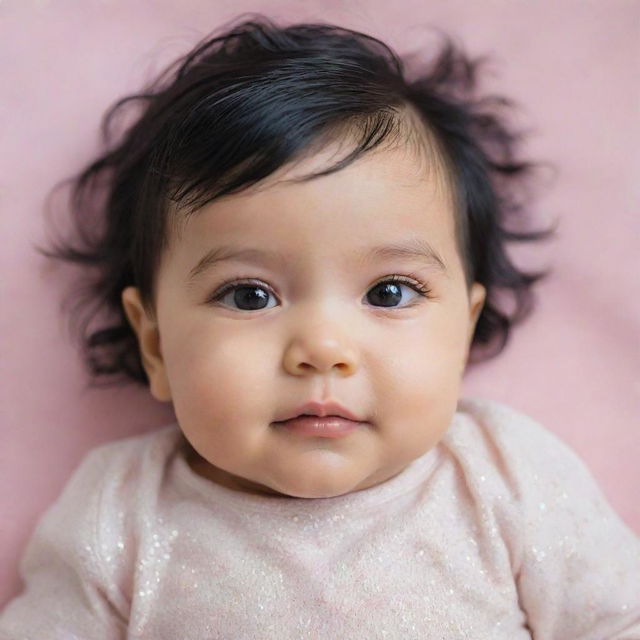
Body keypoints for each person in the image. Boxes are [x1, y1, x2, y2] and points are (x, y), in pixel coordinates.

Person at [2, 14, 638, 639]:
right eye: (250, 296)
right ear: (157, 343)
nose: (323, 350)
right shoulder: (120, 510)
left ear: (463, 332)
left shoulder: (505, 475)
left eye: (390, 292)